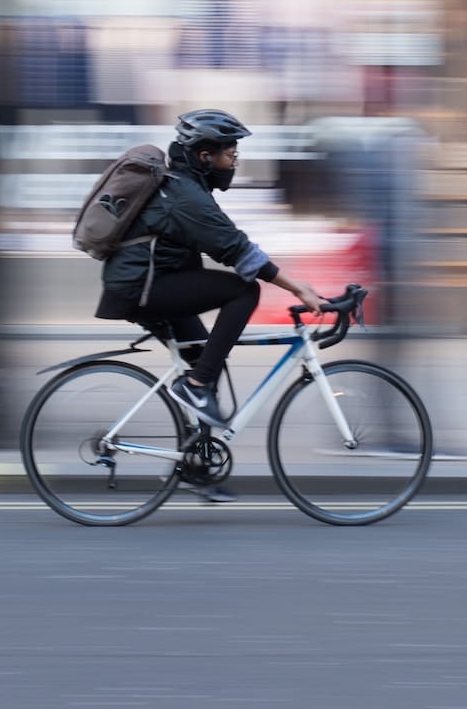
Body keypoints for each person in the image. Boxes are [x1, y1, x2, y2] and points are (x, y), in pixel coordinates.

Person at [93, 109, 324, 500]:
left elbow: (228, 244)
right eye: (229, 152)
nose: (234, 159)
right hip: (141, 287)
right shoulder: (184, 195)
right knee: (243, 291)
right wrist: (297, 288)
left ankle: (195, 466)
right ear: (205, 156)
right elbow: (238, 252)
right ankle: (196, 385)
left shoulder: (186, 188)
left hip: (148, 284)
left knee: (204, 357)